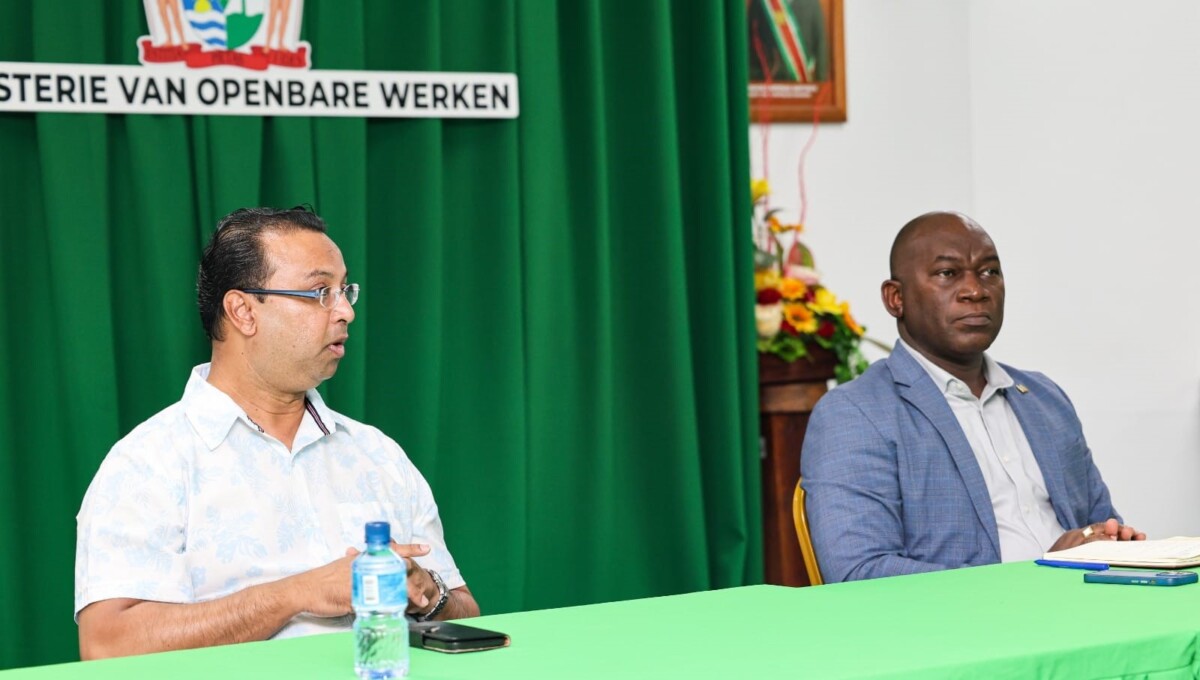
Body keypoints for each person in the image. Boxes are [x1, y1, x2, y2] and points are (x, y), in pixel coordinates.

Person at [74, 207, 479, 659]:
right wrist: (297, 594)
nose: (346, 311)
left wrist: (428, 592)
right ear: (243, 311)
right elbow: (106, 644)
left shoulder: (377, 454)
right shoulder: (148, 462)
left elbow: (465, 614)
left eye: (345, 291)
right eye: (320, 292)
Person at [800, 211, 1145, 583]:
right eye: (947, 273)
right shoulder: (856, 414)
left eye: (989, 272)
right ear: (896, 298)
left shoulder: (1045, 399)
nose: (975, 291)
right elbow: (859, 573)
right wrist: (1038, 576)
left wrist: (1111, 543)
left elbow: (1100, 525)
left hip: (1087, 603)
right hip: (972, 618)